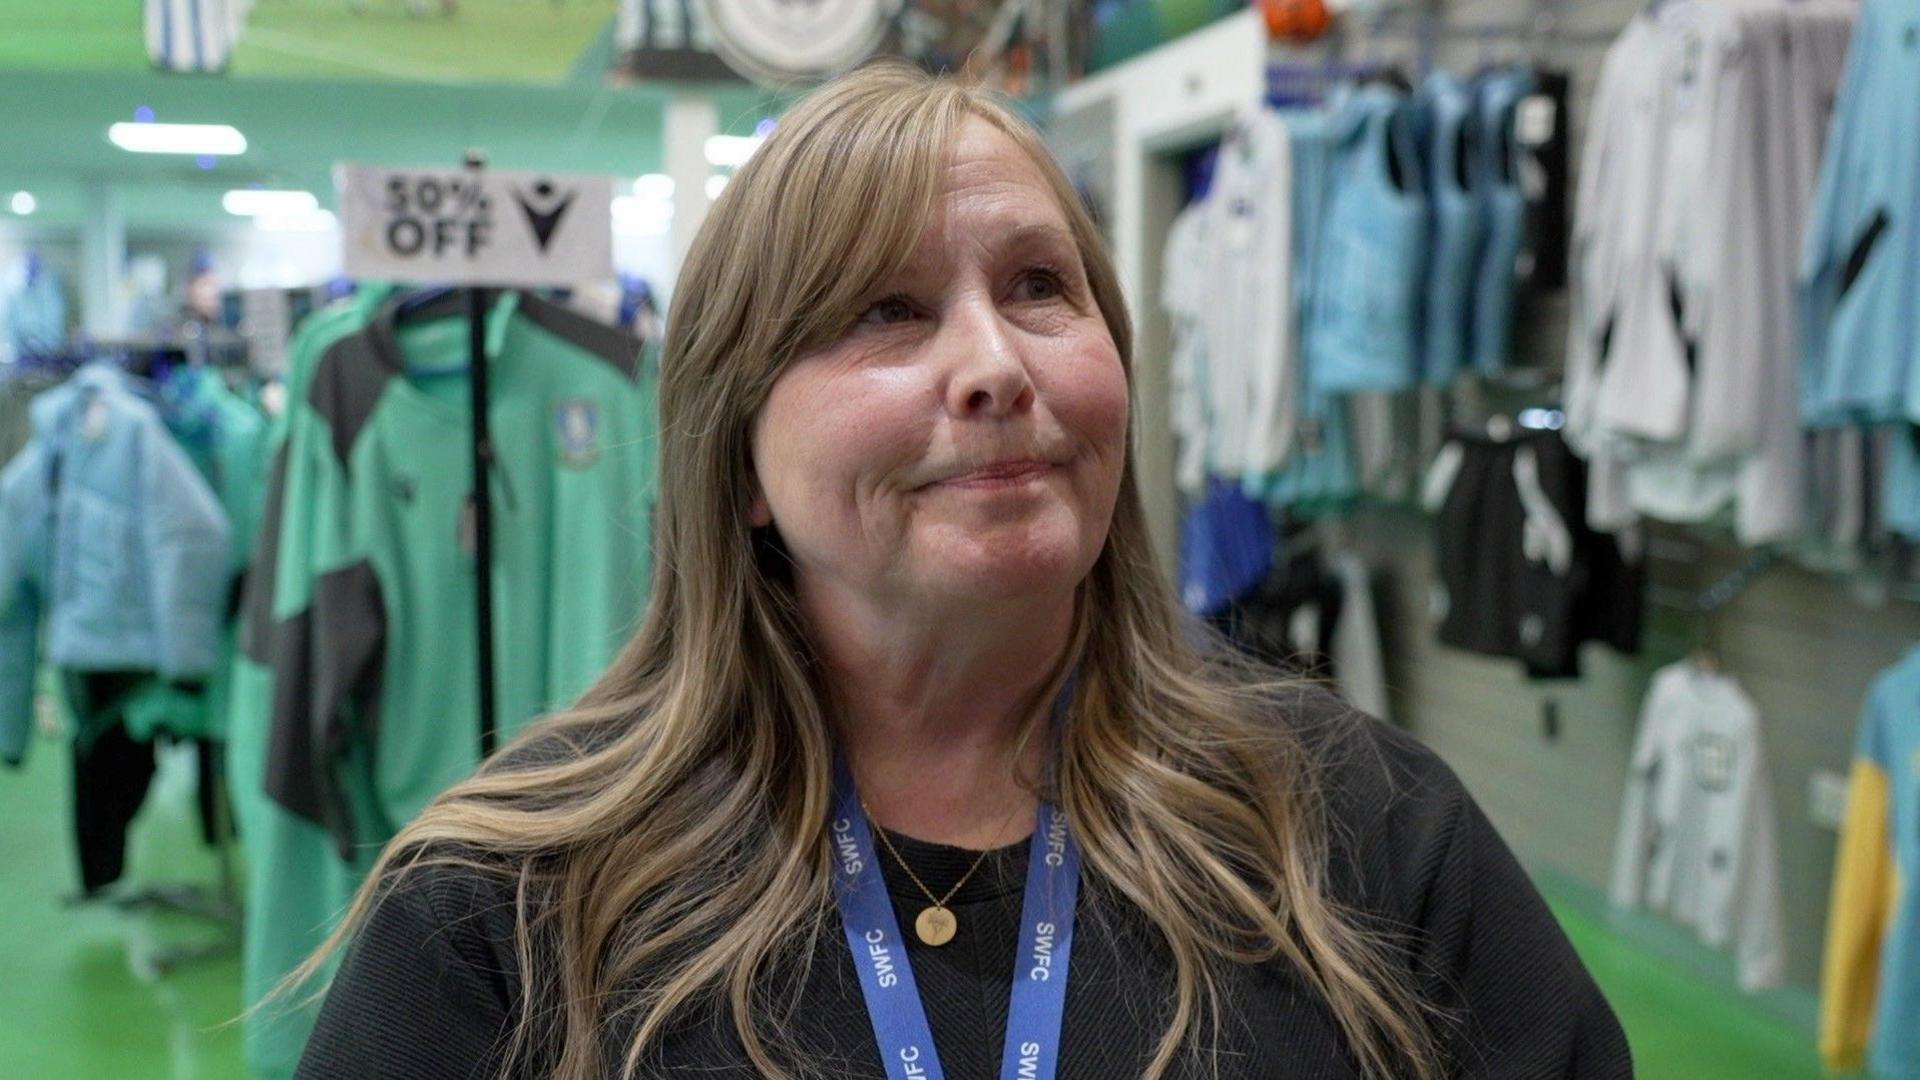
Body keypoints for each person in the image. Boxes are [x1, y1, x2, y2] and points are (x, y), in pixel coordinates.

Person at [293, 61, 1631, 1079]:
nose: (996, 364)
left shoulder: (1362, 837)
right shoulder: (505, 917)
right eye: (885, 309)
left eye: (1042, 285)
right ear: (740, 460)